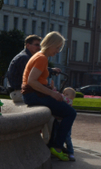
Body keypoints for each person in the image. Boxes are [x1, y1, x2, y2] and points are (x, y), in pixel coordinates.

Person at [22, 32, 76, 162]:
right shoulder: (42, 58)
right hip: (34, 95)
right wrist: (52, 93)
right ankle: (57, 147)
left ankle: (54, 144)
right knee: (70, 113)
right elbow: (31, 81)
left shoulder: (39, 56)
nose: (58, 51)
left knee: (60, 113)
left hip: (32, 95)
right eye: (57, 47)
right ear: (50, 44)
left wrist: (49, 88)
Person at [5, 35, 41, 103]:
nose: (39, 48)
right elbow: (30, 77)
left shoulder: (27, 57)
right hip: (18, 92)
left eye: (39, 45)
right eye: (36, 45)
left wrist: (50, 70)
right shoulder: (24, 58)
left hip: (19, 92)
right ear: (28, 45)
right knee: (47, 100)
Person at [61, 87, 77, 161]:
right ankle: (61, 150)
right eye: (64, 93)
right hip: (61, 121)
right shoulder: (64, 100)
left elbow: (63, 98)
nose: (64, 95)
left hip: (67, 123)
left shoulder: (69, 101)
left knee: (67, 138)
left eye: (67, 94)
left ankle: (71, 152)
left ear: (72, 97)